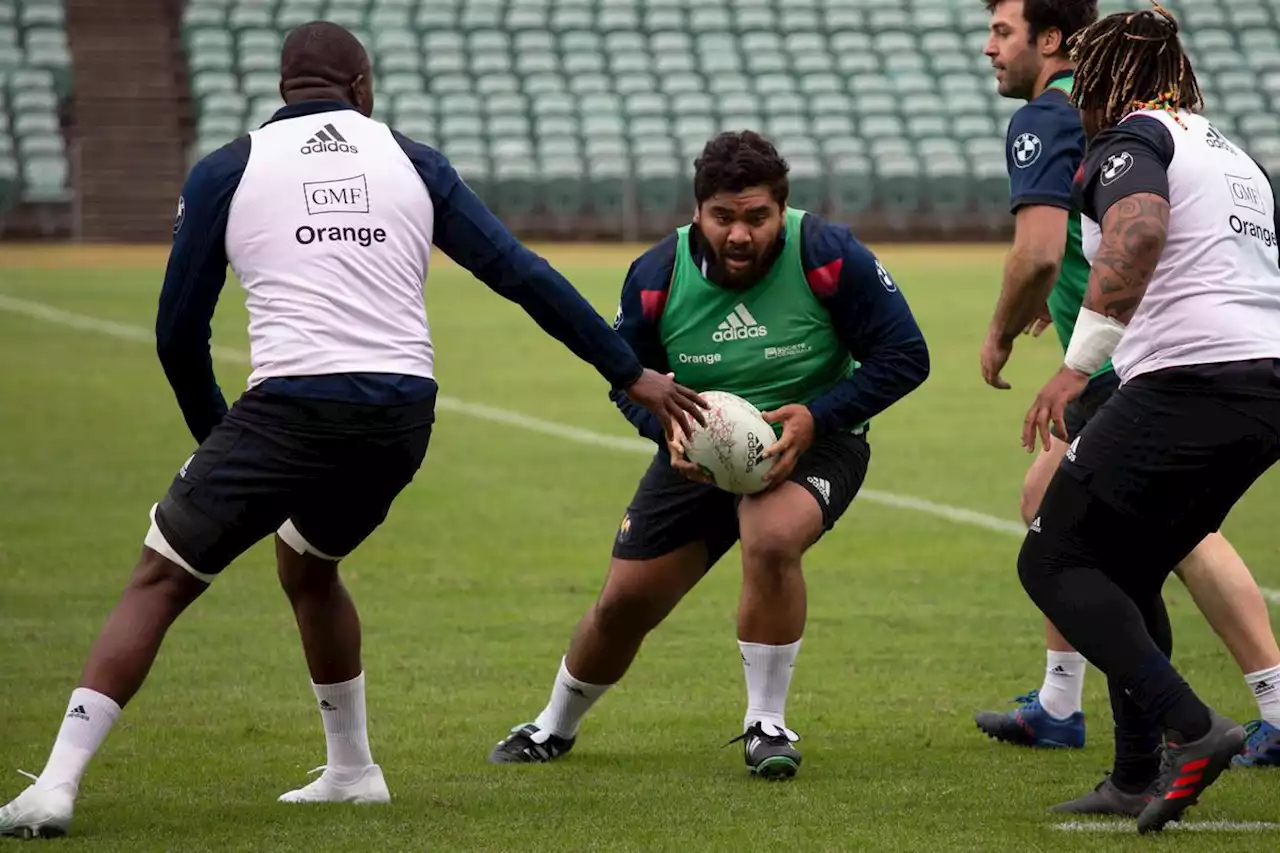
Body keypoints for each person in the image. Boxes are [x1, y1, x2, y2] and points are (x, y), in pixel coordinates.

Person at [0, 22, 706, 840]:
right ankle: (352, 770)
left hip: (289, 406)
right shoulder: (415, 160)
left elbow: (176, 333)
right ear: (362, 87)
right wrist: (631, 372)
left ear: (282, 90)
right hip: (402, 413)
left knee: (159, 577)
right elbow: (521, 273)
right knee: (308, 562)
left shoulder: (229, 167)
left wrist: (218, 439)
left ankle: (55, 784)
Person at [486, 131, 930, 778]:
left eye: (757, 217)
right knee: (623, 603)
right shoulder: (655, 277)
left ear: (782, 210)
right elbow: (627, 378)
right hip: (697, 442)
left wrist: (818, 416)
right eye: (723, 217)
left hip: (812, 437)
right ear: (699, 212)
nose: (741, 234)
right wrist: (663, 430)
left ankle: (766, 724)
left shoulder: (828, 256)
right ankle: (553, 724)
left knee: (771, 535)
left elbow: (906, 357)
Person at [976, 0, 1280, 769]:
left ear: (1114, 76)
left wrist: (1078, 363)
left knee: (1052, 554)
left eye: (1092, 81)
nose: (1082, 99)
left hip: (1189, 381)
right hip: (1260, 383)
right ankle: (1134, 770)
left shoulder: (1134, 134)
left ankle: (1197, 726)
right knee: (1129, 560)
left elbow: (1137, 229)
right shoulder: (1234, 155)